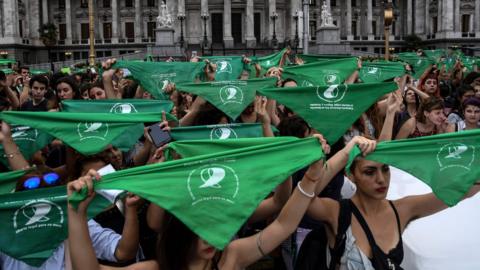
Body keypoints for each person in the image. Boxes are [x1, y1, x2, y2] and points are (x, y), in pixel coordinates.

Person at [67, 134, 333, 270]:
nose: (210, 240)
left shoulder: (231, 257)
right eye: (199, 230)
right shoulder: (156, 268)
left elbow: (284, 224)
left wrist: (310, 178)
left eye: (215, 227)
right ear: (180, 230)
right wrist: (76, 213)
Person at [306, 137, 480, 270]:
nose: (381, 180)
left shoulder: (402, 209)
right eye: (369, 172)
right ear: (351, 176)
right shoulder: (336, 212)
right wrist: (345, 154)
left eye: (385, 169)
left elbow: (461, 192)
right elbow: (304, 198)